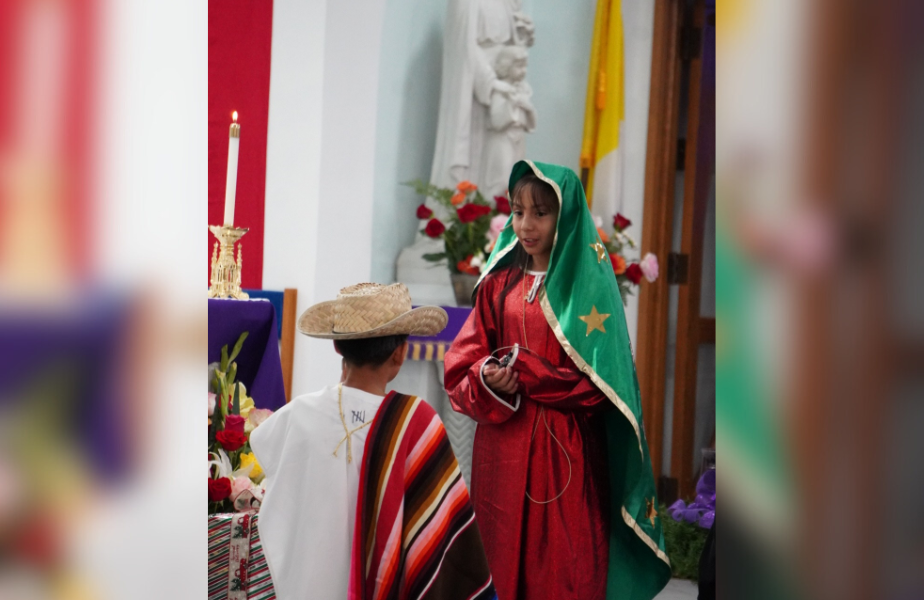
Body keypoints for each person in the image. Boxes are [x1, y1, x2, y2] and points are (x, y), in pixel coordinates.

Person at [444, 161, 671, 600]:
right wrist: (489, 378)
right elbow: (462, 364)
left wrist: (530, 373)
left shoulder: (587, 291)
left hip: (566, 455)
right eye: (517, 211)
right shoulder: (498, 285)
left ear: (565, 216)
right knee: (500, 560)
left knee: (562, 568)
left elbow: (606, 386)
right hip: (502, 454)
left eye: (540, 212)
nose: (526, 225)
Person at [251, 283, 496, 600]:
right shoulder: (418, 423)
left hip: (306, 587)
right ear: (400, 352)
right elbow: (446, 532)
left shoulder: (297, 414)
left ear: (338, 347)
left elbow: (262, 446)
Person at [481, 45, 536, 200]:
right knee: (501, 179)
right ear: (506, 66)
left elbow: (531, 125)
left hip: (518, 138)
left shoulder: (523, 90)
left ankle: (510, 214)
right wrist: (512, 103)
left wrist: (528, 107)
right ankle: (493, 214)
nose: (523, 70)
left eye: (524, 66)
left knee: (518, 180)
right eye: (519, 66)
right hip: (502, 139)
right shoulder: (501, 91)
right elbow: (497, 121)